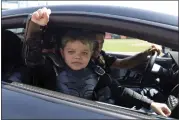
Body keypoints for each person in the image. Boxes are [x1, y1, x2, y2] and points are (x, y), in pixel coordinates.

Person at [23, 7, 171, 117]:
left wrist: (151, 103)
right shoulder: (50, 69)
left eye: (84, 53)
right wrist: (35, 26)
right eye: (71, 52)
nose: (78, 57)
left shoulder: (96, 72)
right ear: (62, 52)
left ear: (92, 54)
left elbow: (120, 91)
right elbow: (32, 57)